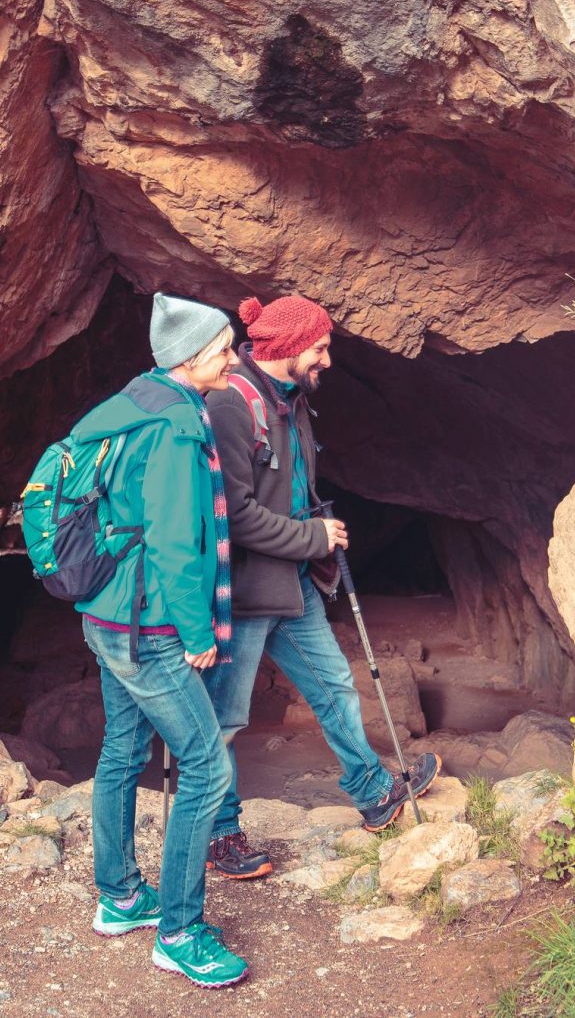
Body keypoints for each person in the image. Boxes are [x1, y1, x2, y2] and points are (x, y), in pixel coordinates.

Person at [201, 294, 442, 881]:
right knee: (225, 718)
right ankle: (220, 833)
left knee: (334, 685)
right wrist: (313, 536)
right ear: (286, 349)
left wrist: (317, 535)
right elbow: (232, 511)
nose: (327, 360)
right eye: (319, 348)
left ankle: (373, 791)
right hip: (243, 592)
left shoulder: (292, 401)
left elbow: (293, 484)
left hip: (289, 585)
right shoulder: (233, 403)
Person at [74, 292, 248, 987]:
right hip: (149, 624)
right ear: (188, 357)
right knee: (204, 765)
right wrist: (197, 631)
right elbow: (177, 540)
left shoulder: (129, 404)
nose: (232, 360)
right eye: (222, 349)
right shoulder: (176, 426)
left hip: (107, 612)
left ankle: (118, 896)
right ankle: (178, 930)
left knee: (122, 746)